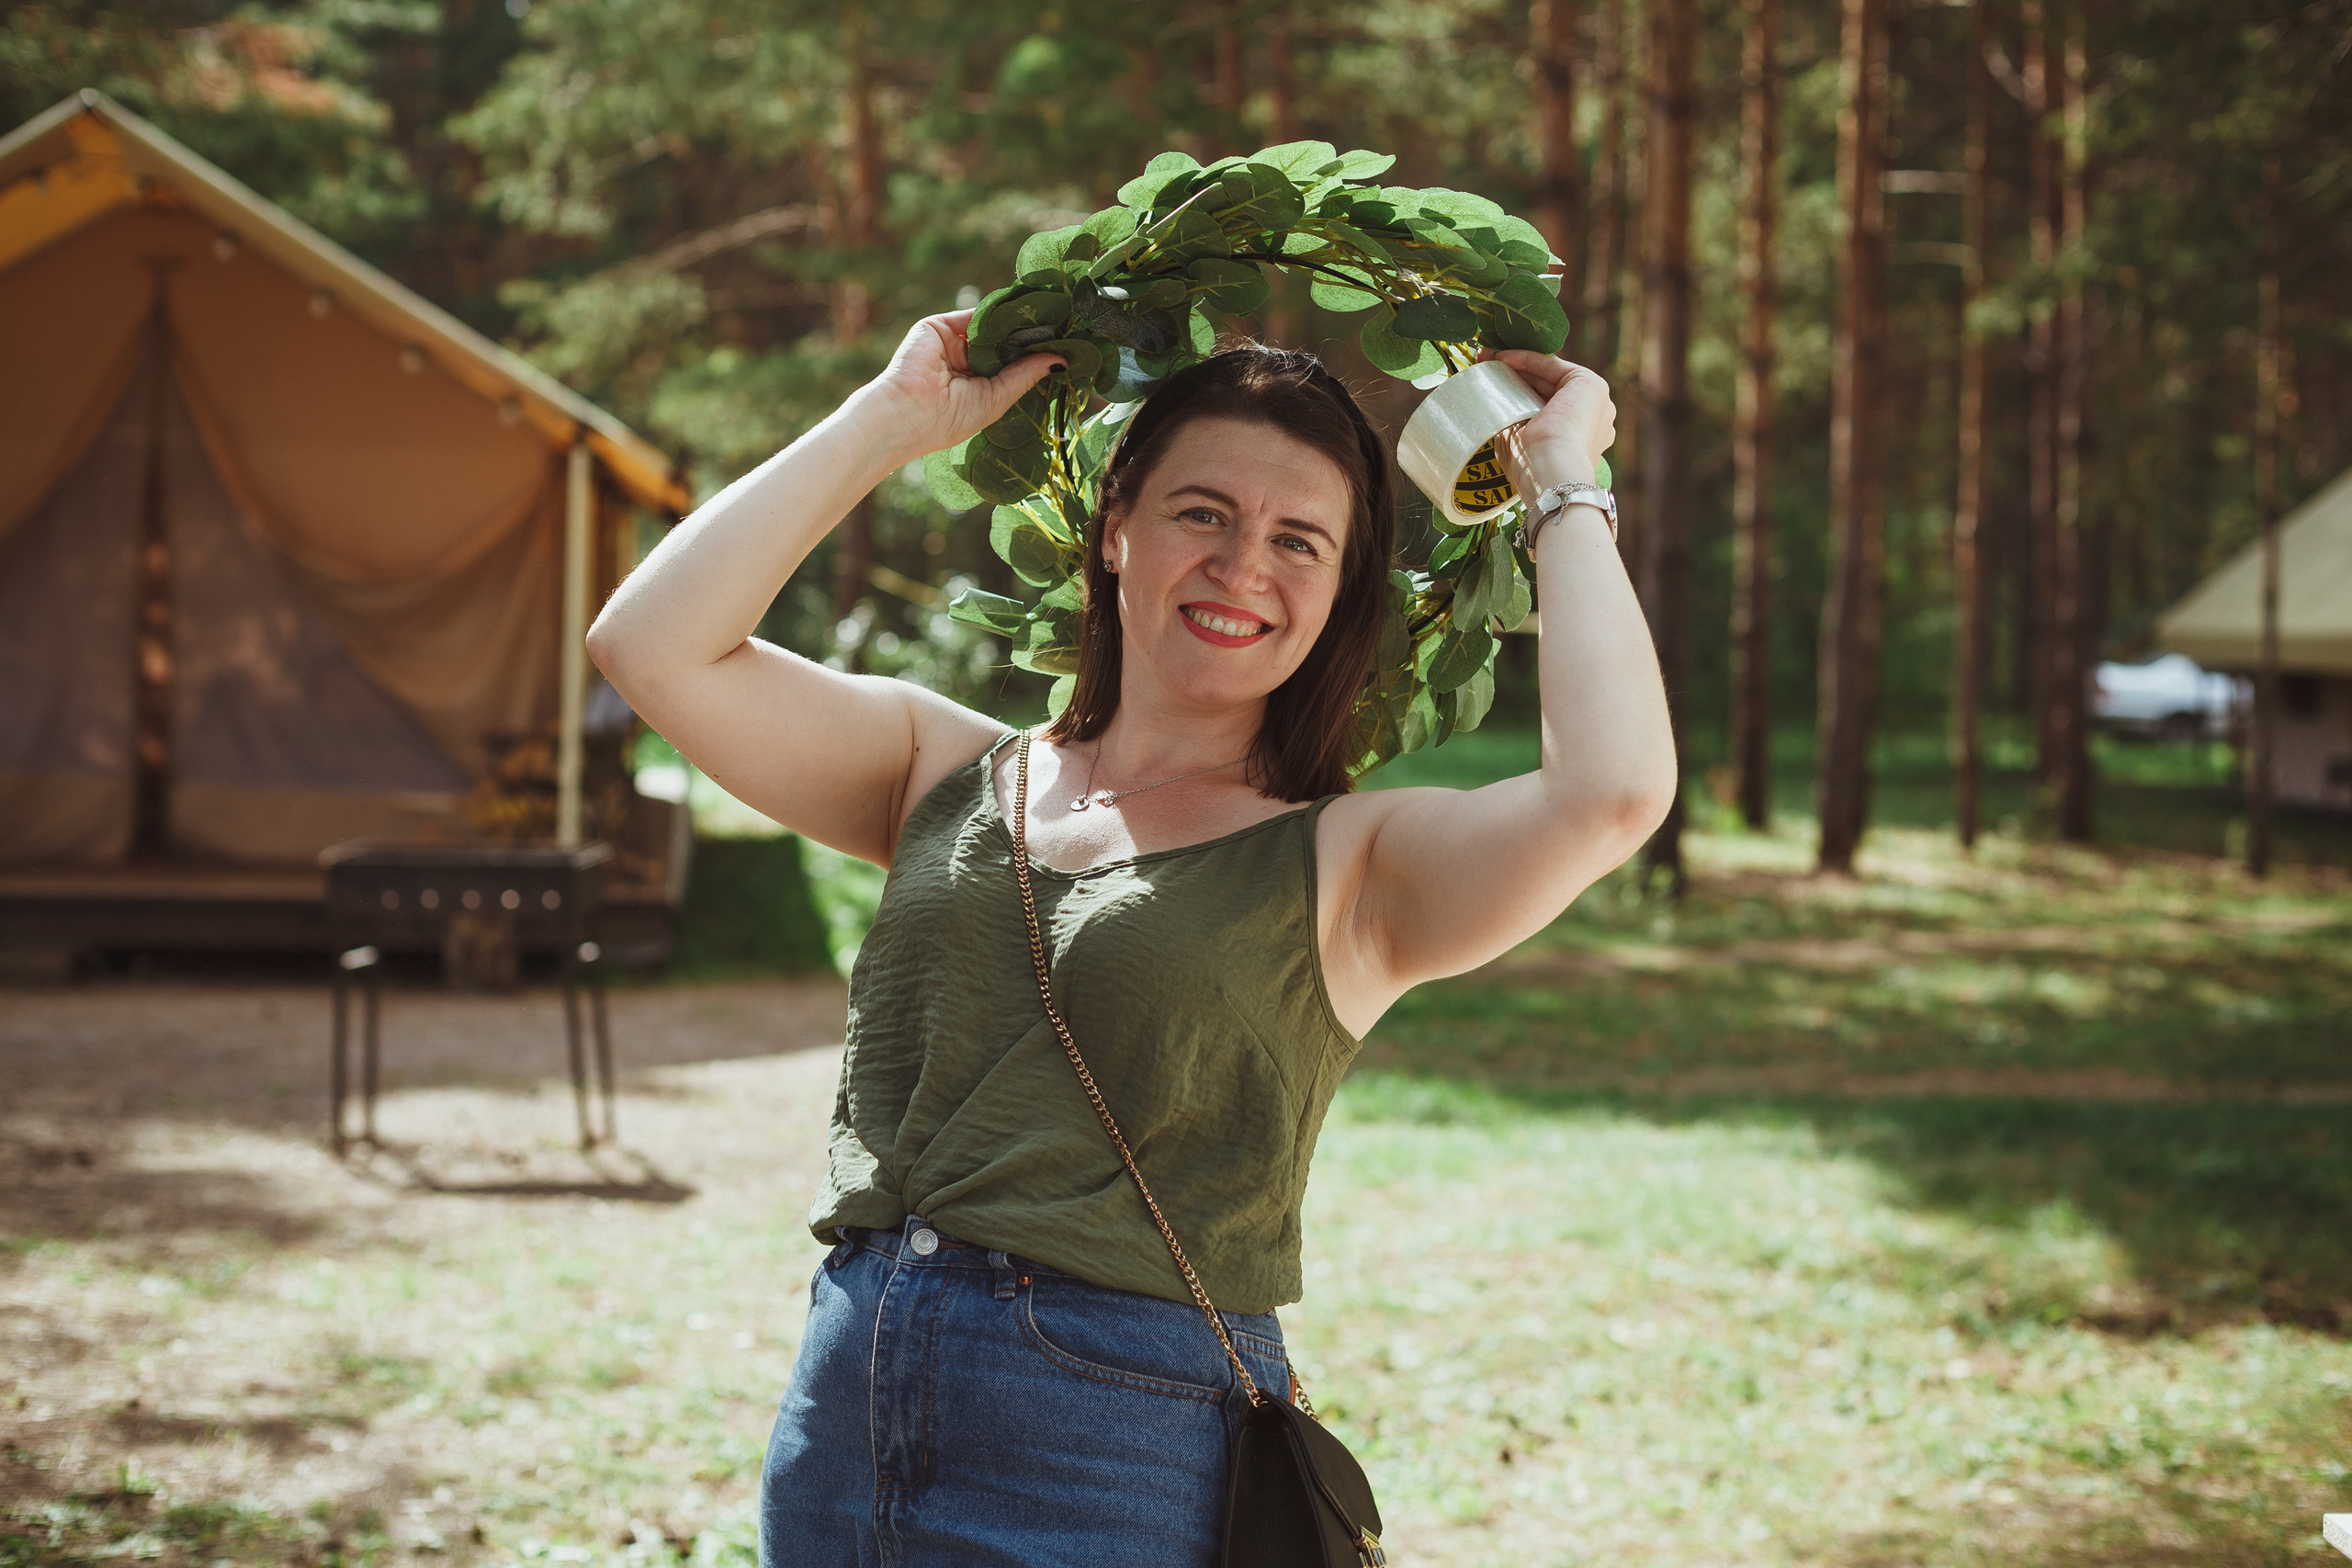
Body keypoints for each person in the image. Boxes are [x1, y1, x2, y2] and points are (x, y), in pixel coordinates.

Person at [587, 312, 1676, 1566]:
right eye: (1201, 513)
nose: (1241, 566)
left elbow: (1612, 794)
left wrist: (1559, 483)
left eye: (1298, 541)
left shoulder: (1353, 864)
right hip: (850, 1409)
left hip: (1116, 1455)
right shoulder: (940, 768)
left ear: (1340, 595)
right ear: (1115, 529)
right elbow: (648, 646)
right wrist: (890, 424)